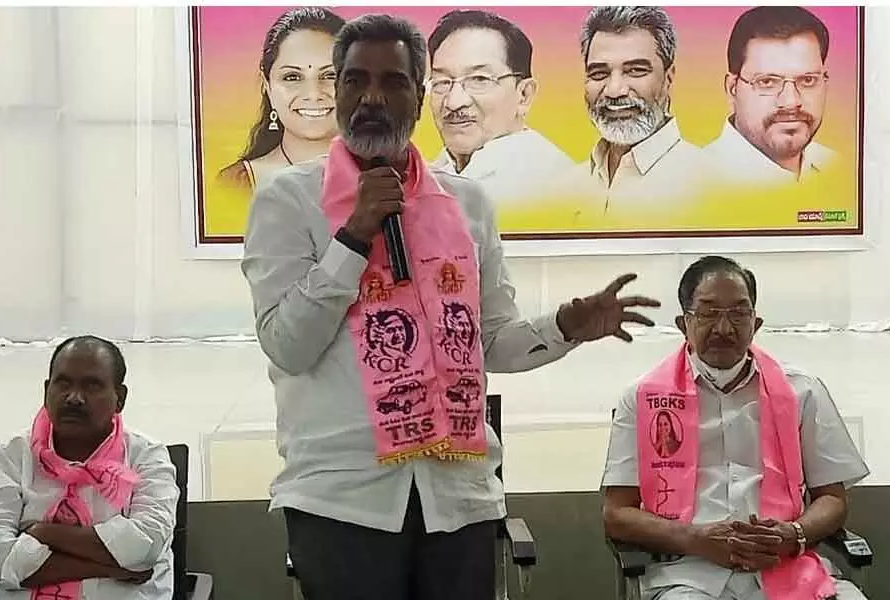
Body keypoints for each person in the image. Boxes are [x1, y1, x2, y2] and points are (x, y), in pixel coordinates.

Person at [240, 13, 661, 600]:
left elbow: (490, 343)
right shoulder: (288, 200)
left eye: (393, 82)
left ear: (420, 95)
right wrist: (354, 236)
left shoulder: (467, 203)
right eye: (355, 80)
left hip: (457, 496)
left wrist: (568, 326)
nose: (371, 98)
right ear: (336, 90)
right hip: (343, 498)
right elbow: (288, 345)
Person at [602, 256, 870, 600]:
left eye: (738, 314)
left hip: (787, 568)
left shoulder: (801, 391)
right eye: (709, 313)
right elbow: (617, 513)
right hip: (689, 574)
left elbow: (832, 498)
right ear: (683, 323)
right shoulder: (643, 397)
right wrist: (695, 538)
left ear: (755, 323)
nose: (724, 329)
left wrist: (793, 533)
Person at [0, 336, 179, 600]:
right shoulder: (9, 455)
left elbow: (144, 547)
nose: (74, 398)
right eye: (63, 384)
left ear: (120, 398)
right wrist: (110, 564)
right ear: (46, 391)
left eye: (92, 386)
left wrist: (43, 532)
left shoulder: (147, 456)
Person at [426, 9, 573, 209]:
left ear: (524, 95)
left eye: (479, 79)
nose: (453, 102)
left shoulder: (552, 186)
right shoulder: (426, 176)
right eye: (442, 82)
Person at [573, 6, 708, 217]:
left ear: (668, 78)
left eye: (635, 70)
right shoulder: (565, 187)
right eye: (599, 73)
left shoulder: (710, 183)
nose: (614, 91)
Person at [703, 6, 837, 186]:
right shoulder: (692, 184)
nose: (791, 102)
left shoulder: (837, 168)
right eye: (767, 82)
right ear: (732, 89)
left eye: (807, 80)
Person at [218, 7, 345, 192]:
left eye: (330, 75)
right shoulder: (233, 185)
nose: (313, 93)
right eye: (292, 77)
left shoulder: (392, 176)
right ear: (267, 85)